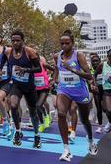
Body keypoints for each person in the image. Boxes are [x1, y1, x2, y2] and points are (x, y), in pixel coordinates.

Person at [54, 30, 98, 161]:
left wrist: (72, 69)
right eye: (62, 43)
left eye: (67, 43)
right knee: (61, 113)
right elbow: (56, 69)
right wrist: (54, 79)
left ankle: (90, 140)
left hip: (80, 92)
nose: (64, 46)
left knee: (84, 120)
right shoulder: (57, 56)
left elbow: (89, 75)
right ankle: (66, 149)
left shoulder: (79, 56)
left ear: (72, 43)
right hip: (64, 90)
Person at [0, 30, 42, 149]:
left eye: (18, 40)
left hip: (29, 86)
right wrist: (0, 69)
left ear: (23, 41)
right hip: (16, 85)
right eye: (13, 41)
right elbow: (3, 59)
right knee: (13, 104)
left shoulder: (29, 52)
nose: (15, 43)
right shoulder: (8, 52)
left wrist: (25, 70)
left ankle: (37, 135)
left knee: (33, 113)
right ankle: (18, 131)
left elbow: (38, 68)